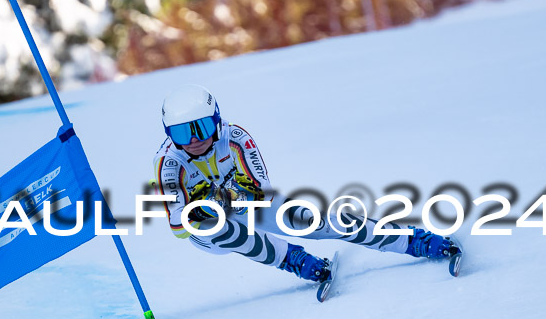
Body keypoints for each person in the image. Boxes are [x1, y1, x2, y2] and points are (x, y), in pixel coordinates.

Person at [152, 84, 458, 283]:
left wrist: (216, 200)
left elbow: (259, 190)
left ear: (216, 120)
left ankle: (411, 239)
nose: (194, 140)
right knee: (215, 226)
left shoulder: (235, 138)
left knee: (315, 221)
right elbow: (180, 228)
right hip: (212, 233)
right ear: (169, 134)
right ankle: (293, 260)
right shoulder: (169, 163)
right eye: (181, 134)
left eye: (201, 127)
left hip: (249, 206)